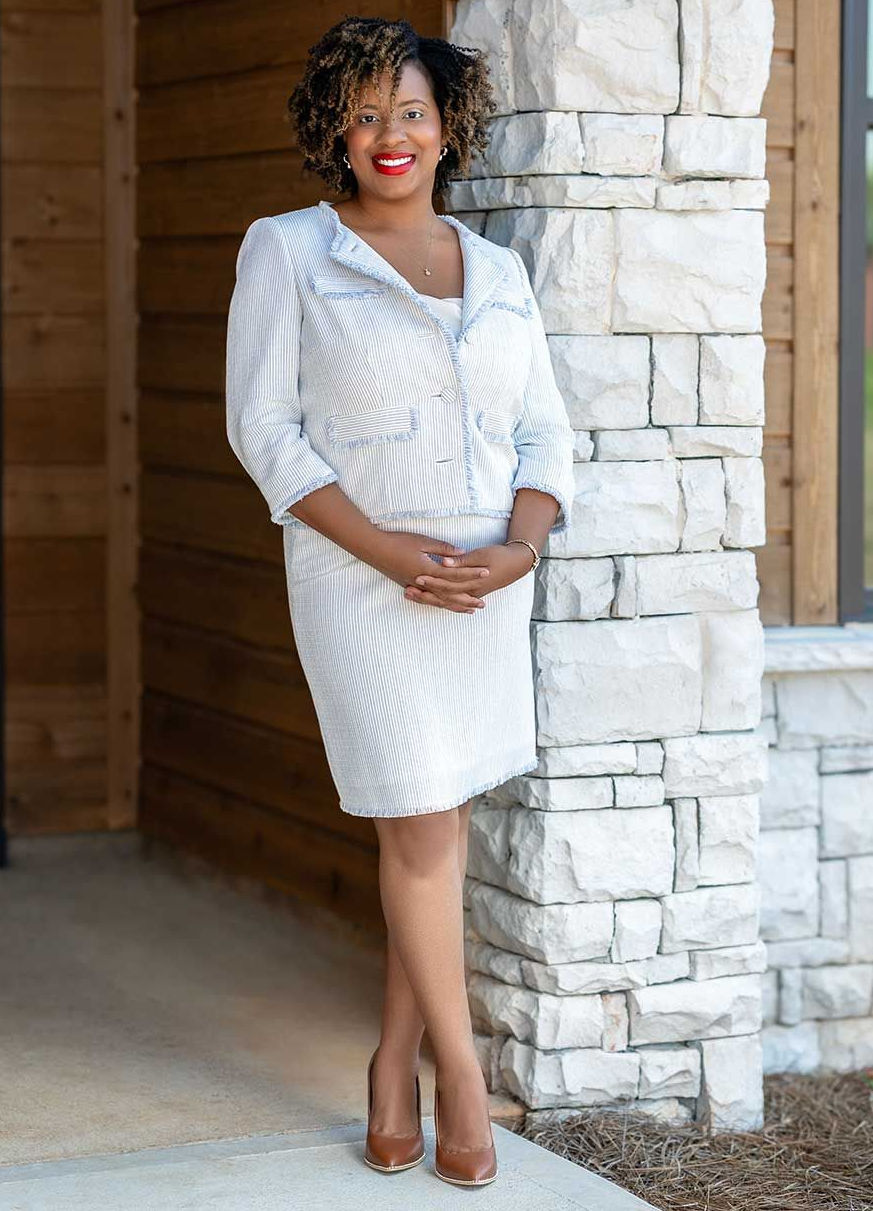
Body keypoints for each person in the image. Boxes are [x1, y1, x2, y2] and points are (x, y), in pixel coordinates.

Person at [224, 15, 575, 1189]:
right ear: (335, 128)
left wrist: (520, 549)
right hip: (360, 582)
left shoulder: (500, 271)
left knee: (432, 827)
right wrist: (381, 548)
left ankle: (389, 1065)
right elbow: (262, 428)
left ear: (443, 125)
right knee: (422, 826)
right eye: (366, 111)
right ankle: (459, 1080)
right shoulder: (288, 250)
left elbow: (543, 432)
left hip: (484, 587)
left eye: (411, 111)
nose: (390, 133)